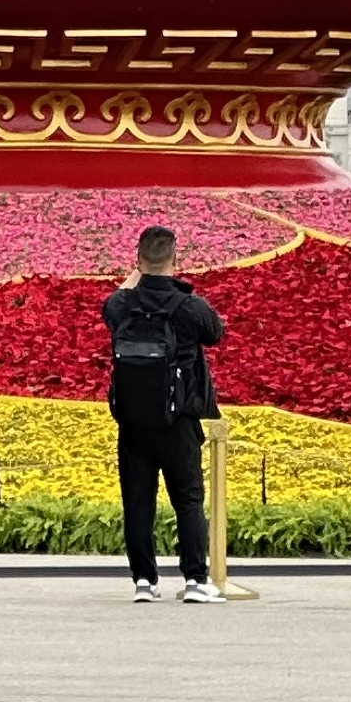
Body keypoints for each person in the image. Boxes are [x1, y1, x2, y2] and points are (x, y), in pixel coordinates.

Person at [102, 226, 225, 605]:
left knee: (138, 502)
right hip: (180, 420)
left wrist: (137, 274)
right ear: (176, 260)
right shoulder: (190, 307)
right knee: (187, 499)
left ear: (137, 260)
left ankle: (143, 580)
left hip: (133, 421)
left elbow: (113, 302)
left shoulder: (121, 305)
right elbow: (216, 334)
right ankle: (195, 580)